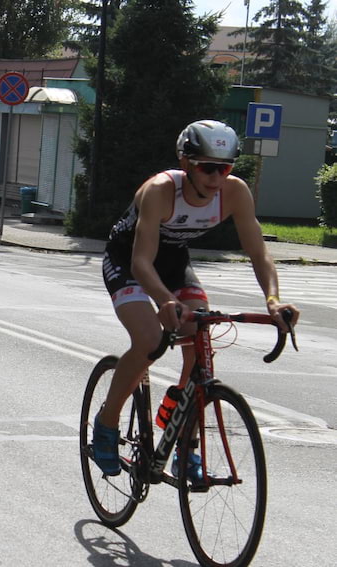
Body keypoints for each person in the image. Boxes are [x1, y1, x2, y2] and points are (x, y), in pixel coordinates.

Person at [93, 119, 300, 478]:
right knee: (149, 340)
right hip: (129, 262)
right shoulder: (160, 190)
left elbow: (258, 252)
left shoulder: (235, 192)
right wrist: (163, 301)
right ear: (186, 163)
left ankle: (182, 431)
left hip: (174, 264)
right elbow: (142, 262)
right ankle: (106, 425)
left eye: (224, 168)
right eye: (207, 167)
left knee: (201, 339)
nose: (216, 176)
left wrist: (273, 300)